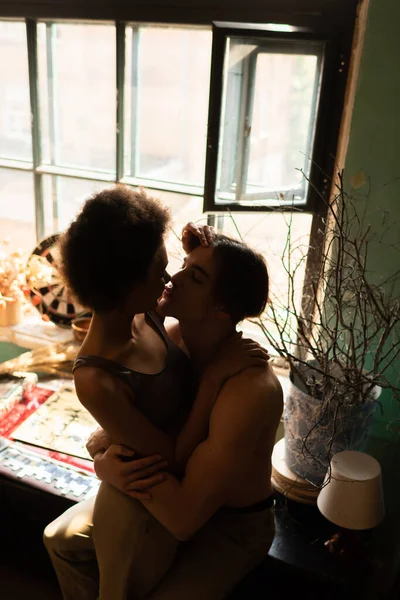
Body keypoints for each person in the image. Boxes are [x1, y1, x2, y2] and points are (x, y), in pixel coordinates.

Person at [43, 185, 276, 599]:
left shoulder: (248, 387)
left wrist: (106, 453)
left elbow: (184, 516)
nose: (172, 277)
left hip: (228, 525)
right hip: (176, 488)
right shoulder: (169, 332)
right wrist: (101, 460)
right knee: (60, 539)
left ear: (222, 309)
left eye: (193, 275)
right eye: (174, 265)